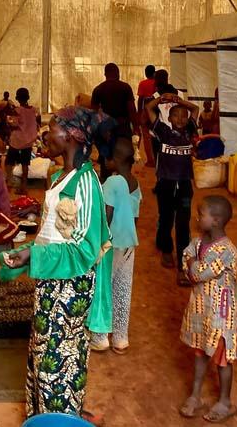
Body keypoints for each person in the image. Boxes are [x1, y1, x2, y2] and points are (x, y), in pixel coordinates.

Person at [0, 106, 112, 422]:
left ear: (73, 135)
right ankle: (49, 416)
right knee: (44, 354)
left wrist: (34, 256)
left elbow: (85, 250)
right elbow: (51, 235)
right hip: (52, 284)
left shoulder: (87, 183)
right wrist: (20, 257)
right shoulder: (62, 176)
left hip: (70, 289)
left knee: (61, 359)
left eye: (53, 128)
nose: (46, 134)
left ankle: (62, 418)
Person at [178, 195, 237, 423]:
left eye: (201, 214)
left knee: (222, 357)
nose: (196, 217)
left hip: (221, 315)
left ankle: (225, 402)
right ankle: (196, 396)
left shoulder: (227, 250)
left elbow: (197, 272)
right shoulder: (198, 242)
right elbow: (186, 260)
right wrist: (192, 264)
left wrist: (192, 263)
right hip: (202, 310)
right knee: (200, 351)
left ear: (216, 220)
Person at [90, 137, 140, 354]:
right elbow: (135, 217)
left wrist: (99, 242)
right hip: (129, 244)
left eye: (106, 157)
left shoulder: (112, 182)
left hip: (111, 245)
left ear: (115, 159)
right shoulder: (135, 183)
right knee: (122, 289)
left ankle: (100, 337)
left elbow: (107, 215)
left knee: (103, 288)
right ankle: (120, 338)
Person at [146, 93, 199, 283]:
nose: (181, 119)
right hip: (166, 183)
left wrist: (179, 101)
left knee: (183, 224)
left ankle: (182, 268)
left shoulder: (190, 130)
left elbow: (195, 109)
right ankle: (166, 249)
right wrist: (162, 100)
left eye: (183, 116)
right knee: (166, 218)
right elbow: (149, 108)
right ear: (168, 118)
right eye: (176, 116)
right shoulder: (163, 131)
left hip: (184, 183)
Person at [91, 63, 136, 179]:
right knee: (125, 157)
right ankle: (124, 183)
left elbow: (93, 112)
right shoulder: (125, 87)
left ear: (105, 74)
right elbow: (131, 109)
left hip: (106, 129)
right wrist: (136, 127)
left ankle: (106, 185)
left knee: (106, 158)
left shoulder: (98, 89)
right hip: (123, 127)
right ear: (118, 73)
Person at [6, 87, 40, 194]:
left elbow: (14, 124)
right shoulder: (34, 110)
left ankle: (9, 182)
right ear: (28, 97)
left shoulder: (17, 110)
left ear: (17, 98)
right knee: (25, 164)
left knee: (9, 162)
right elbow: (37, 122)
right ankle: (24, 187)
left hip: (17, 141)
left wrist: (8, 123)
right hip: (29, 141)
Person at [136, 65, 157, 166]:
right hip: (156, 112)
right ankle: (157, 158)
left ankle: (150, 160)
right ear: (154, 73)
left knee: (146, 136)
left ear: (145, 73)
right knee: (156, 134)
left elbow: (140, 100)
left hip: (145, 112)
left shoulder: (143, 84)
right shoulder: (157, 83)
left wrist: (139, 113)